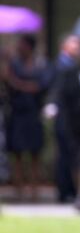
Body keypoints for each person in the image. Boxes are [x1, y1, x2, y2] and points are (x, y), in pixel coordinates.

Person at [3, 34, 48, 200]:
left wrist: (20, 84)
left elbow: (42, 86)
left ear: (29, 46)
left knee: (35, 153)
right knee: (17, 153)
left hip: (34, 114)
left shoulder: (40, 64)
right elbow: (8, 82)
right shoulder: (14, 64)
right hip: (17, 114)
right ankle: (19, 189)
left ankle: (34, 190)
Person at [48, 35, 80, 203]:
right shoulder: (60, 66)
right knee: (64, 153)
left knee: (70, 153)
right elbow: (55, 89)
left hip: (71, 116)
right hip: (63, 116)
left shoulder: (73, 65)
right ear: (64, 46)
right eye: (73, 44)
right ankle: (65, 190)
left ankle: (70, 189)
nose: (77, 47)